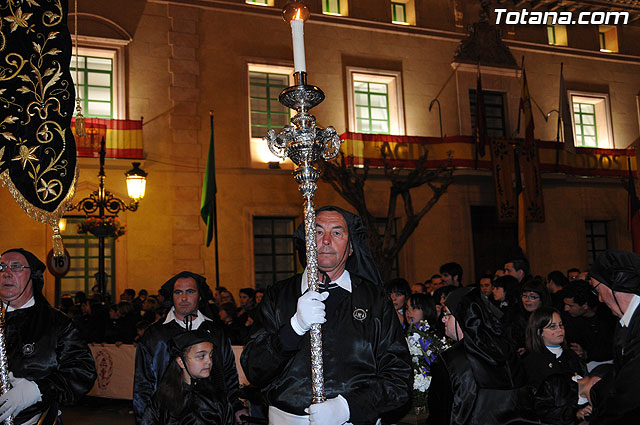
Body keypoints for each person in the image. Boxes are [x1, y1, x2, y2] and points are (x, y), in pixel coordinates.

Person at [241, 206, 412, 424]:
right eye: (318, 232)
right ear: (306, 242)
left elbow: (399, 378)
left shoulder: (374, 299)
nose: (326, 240)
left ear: (350, 247)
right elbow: (254, 370)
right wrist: (293, 328)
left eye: (337, 232)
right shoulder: (278, 296)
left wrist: (349, 407)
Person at [133, 271, 246, 423]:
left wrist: (236, 406)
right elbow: (143, 383)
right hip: (167, 418)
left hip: (213, 417)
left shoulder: (216, 332)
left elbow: (228, 374)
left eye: (190, 292)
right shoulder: (155, 335)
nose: (184, 298)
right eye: (178, 292)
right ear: (171, 296)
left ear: (199, 296)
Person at [0, 248, 96, 424]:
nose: (6, 273)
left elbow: (82, 370)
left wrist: (35, 391)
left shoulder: (57, 323)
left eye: (16, 267)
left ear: (33, 276)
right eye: (1, 267)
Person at [427, 287, 538, 425]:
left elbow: (441, 413)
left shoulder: (451, 360)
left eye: (447, 314)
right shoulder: (507, 350)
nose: (443, 320)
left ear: (461, 316)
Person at [578, 249, 640, 423]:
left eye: (597, 290)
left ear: (617, 283)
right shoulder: (627, 320)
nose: (599, 300)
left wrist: (593, 393)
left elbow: (629, 396)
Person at [141, 329, 234, 425]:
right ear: (181, 362)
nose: (209, 361)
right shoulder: (162, 400)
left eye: (211, 355)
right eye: (201, 356)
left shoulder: (217, 397)